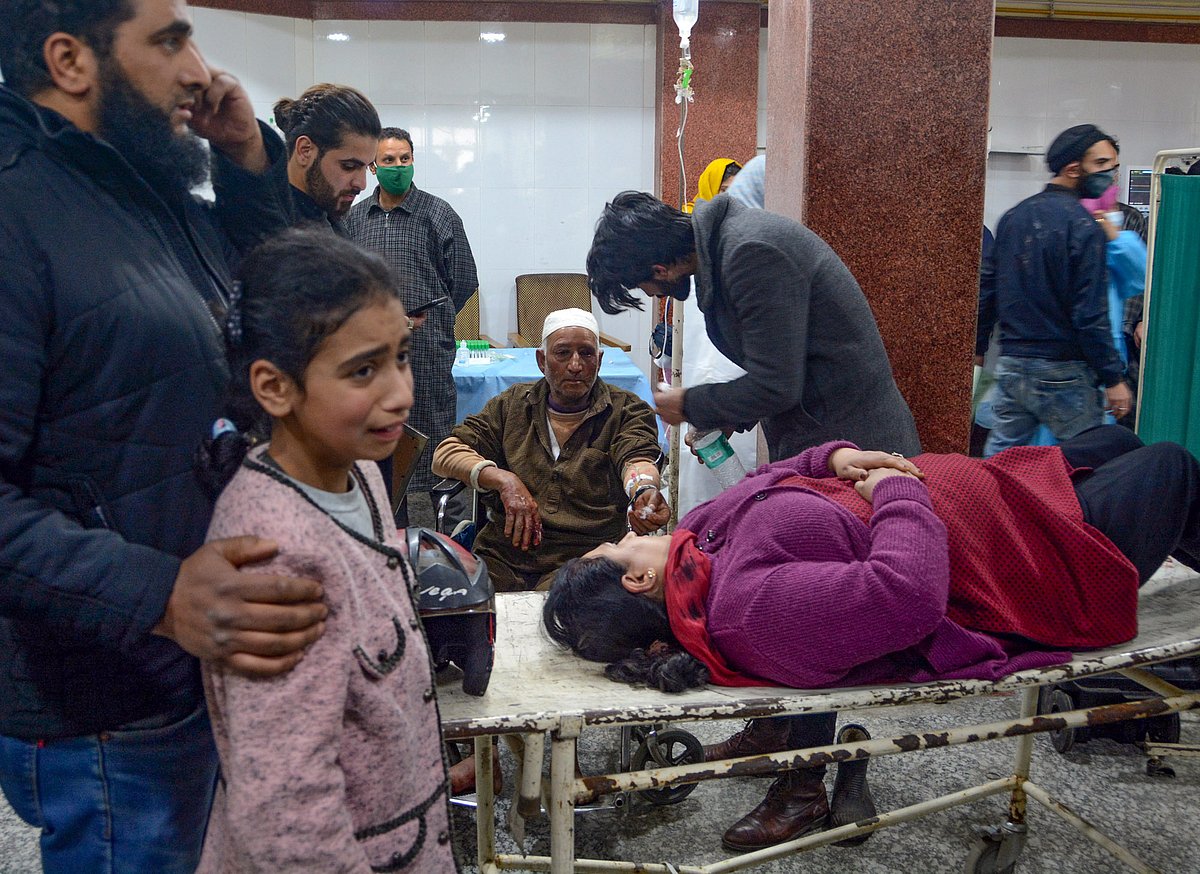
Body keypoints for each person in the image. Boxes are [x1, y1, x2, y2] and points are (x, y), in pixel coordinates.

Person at [0, 2, 327, 871]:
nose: (200, 70)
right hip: (108, 700)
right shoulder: (16, 208)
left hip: (188, 668)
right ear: (71, 61)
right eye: (170, 40)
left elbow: (282, 312)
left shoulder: (142, 190)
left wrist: (248, 162)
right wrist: (158, 597)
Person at [545, 425, 1200, 852]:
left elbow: (758, 482)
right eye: (620, 541)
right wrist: (893, 491)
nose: (630, 531)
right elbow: (908, 598)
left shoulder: (697, 543)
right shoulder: (747, 612)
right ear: (636, 578)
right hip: (1028, 560)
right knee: (1172, 465)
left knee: (1116, 439)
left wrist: (838, 458)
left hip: (1000, 493)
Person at [194, 228, 455, 873]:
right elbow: (287, 807)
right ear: (275, 388)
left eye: (400, 356)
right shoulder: (276, 553)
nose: (400, 391)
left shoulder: (358, 470)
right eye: (363, 369)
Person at [586, 190, 921, 463]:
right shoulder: (727, 248)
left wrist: (689, 404)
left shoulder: (751, 253)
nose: (648, 293)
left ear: (659, 270)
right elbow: (787, 360)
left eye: (640, 285)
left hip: (858, 445)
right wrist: (731, 415)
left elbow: (776, 384)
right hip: (824, 437)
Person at [431, 308, 667, 592]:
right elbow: (446, 453)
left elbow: (636, 457)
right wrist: (502, 479)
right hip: (503, 555)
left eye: (587, 354)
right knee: (456, 607)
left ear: (600, 360)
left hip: (584, 558)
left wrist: (642, 491)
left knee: (556, 617)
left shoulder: (625, 410)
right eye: (563, 353)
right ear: (542, 360)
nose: (576, 365)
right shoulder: (512, 406)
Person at [344, 126, 479, 523]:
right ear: (373, 165)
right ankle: (391, 531)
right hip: (371, 358)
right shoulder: (354, 219)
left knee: (436, 443)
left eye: (405, 159)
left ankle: (448, 539)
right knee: (384, 446)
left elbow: (464, 279)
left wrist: (430, 321)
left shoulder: (438, 214)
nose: (398, 167)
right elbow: (345, 285)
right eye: (389, 160)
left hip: (428, 356)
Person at [977, 124, 1133, 456]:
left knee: (1000, 466)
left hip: (1012, 366)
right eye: (1103, 164)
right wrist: (1113, 378)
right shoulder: (1082, 226)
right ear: (1073, 169)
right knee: (1087, 465)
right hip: (1065, 373)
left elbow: (989, 291)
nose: (1111, 174)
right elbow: (1089, 313)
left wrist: (978, 350)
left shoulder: (1013, 218)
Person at [271, 82, 380, 233]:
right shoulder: (267, 228)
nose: (362, 184)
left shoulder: (329, 220)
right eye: (348, 166)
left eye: (366, 168)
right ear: (305, 150)